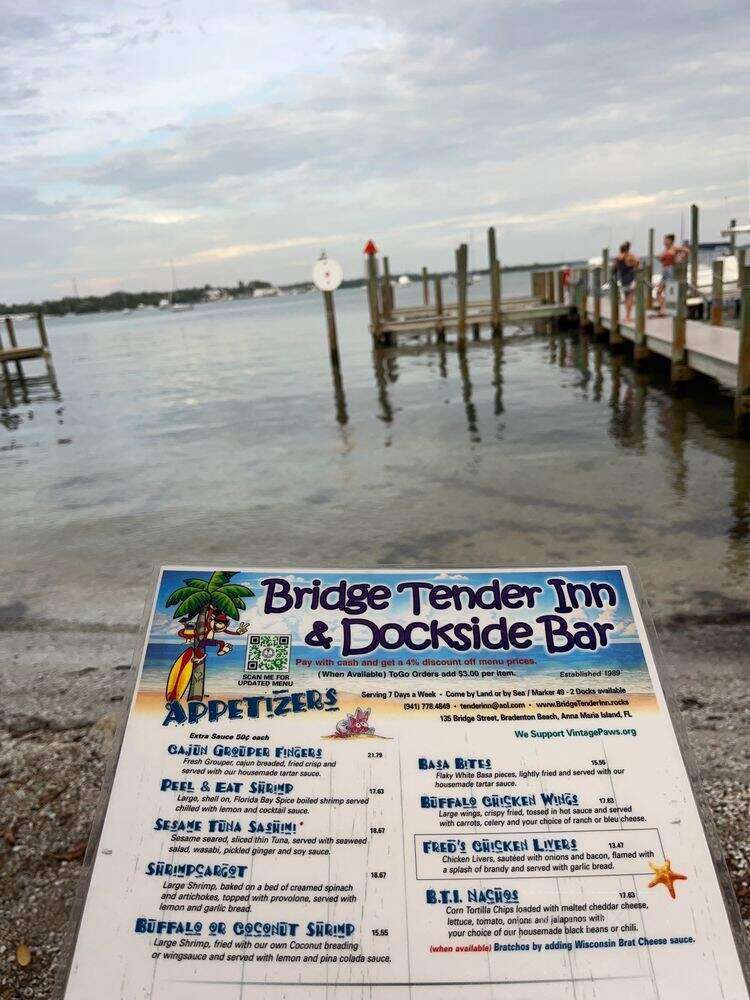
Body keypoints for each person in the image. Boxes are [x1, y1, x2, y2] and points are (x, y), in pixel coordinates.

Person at [611, 241, 640, 322]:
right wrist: (634, 265)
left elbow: (614, 268)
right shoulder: (630, 256)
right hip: (631, 277)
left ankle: (626, 316)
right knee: (630, 298)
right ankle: (628, 316)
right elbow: (637, 262)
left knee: (626, 297)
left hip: (623, 278)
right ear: (628, 249)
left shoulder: (617, 258)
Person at [654, 233, 676, 316]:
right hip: (664, 272)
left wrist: (680, 259)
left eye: (666, 240)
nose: (664, 241)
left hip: (670, 271)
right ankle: (663, 309)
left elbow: (686, 250)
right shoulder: (665, 249)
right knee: (658, 292)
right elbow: (664, 261)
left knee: (670, 292)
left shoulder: (674, 248)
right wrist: (659, 258)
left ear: (670, 241)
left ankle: (669, 311)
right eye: (664, 240)